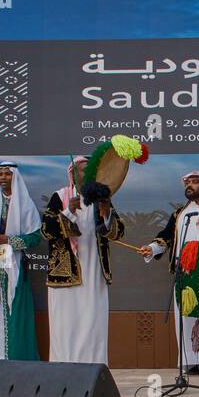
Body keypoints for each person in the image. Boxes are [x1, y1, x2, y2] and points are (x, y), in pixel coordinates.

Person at [138, 170, 199, 374]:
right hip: (187, 274)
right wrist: (152, 249)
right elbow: (166, 237)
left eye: (195, 182)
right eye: (187, 183)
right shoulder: (180, 214)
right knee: (189, 315)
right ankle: (198, 360)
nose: (189, 185)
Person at [44, 156, 124, 365]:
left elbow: (117, 232)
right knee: (65, 323)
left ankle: (93, 370)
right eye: (82, 170)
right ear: (72, 173)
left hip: (94, 271)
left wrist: (106, 214)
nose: (87, 174)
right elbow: (46, 230)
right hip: (65, 272)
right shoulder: (60, 196)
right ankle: (62, 369)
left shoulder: (101, 198)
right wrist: (68, 211)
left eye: (90, 170)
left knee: (92, 322)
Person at [0, 162, 41, 367]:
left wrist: (10, 240)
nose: (4, 177)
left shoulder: (26, 204)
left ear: (15, 177)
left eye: (8, 174)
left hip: (14, 263)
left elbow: (35, 237)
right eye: (1, 174)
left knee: (15, 307)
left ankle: (14, 357)